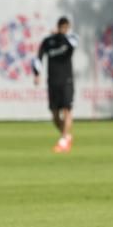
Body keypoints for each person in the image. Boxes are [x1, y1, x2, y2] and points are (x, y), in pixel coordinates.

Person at [33, 17, 78, 153]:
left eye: (66, 27)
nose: (64, 29)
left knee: (67, 110)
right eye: (62, 27)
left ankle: (63, 140)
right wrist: (36, 74)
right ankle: (66, 136)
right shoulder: (48, 42)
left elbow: (74, 42)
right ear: (58, 26)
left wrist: (61, 35)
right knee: (54, 115)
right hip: (53, 81)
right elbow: (38, 57)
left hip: (67, 80)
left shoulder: (69, 39)